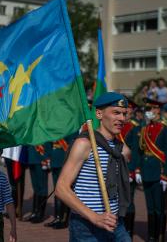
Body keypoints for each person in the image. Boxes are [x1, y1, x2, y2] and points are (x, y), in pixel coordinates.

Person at [56, 92, 132, 242]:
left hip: (115, 222)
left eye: (124, 114)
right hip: (87, 226)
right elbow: (61, 188)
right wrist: (95, 217)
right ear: (99, 114)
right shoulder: (85, 144)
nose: (122, 119)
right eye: (116, 113)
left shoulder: (119, 148)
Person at [138, 98, 167, 242]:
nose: (148, 113)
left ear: (157, 110)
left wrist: (166, 175)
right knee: (150, 208)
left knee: (159, 208)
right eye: (146, 110)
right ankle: (151, 236)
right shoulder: (145, 129)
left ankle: (160, 236)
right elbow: (142, 152)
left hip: (159, 173)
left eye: (150, 110)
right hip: (147, 172)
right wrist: (139, 170)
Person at [119, 98, 141, 239]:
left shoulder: (135, 127)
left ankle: (128, 232)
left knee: (129, 201)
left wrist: (133, 170)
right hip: (116, 168)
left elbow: (136, 151)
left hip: (128, 170)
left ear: (131, 111)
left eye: (127, 109)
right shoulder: (118, 125)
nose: (125, 112)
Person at [44, 137, 74, 229]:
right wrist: (48, 156)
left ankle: (64, 219)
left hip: (65, 160)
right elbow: (48, 143)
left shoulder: (70, 126)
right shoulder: (54, 127)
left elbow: (72, 143)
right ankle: (58, 217)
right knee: (57, 190)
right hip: (55, 159)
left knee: (65, 190)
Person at [23, 144, 50, 223]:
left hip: (41, 159)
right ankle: (35, 212)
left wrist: (46, 158)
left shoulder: (44, 131)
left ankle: (40, 214)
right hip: (32, 158)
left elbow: (48, 143)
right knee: (36, 187)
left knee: (42, 188)